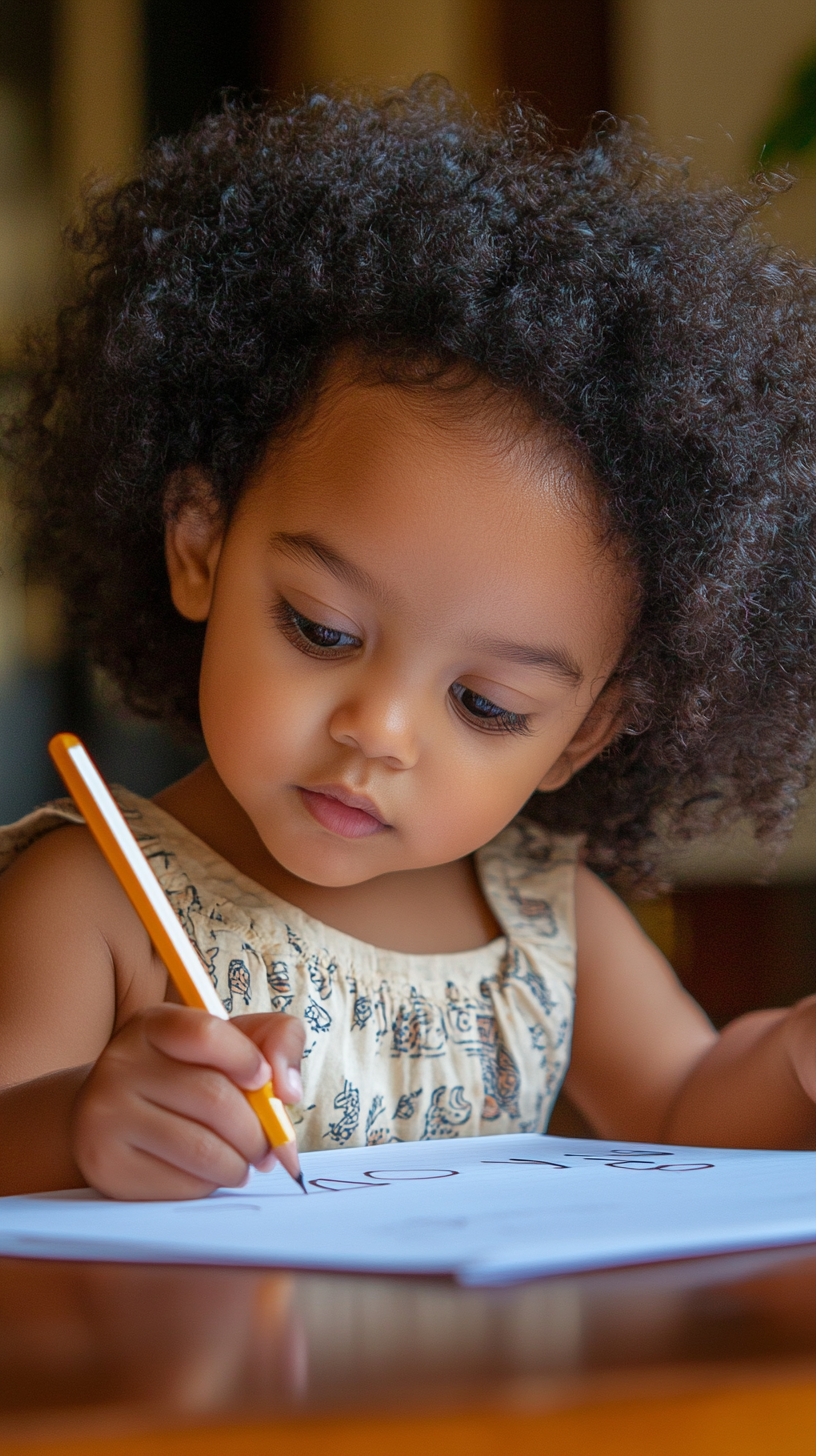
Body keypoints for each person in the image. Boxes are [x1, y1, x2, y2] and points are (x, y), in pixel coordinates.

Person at [1, 85, 814, 1200]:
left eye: (484, 704)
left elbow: (687, 1104)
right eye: (323, 629)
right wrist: (79, 1123)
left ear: (585, 733)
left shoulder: (539, 911)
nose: (379, 729)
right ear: (199, 546)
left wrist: (795, 1060)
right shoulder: (88, 899)